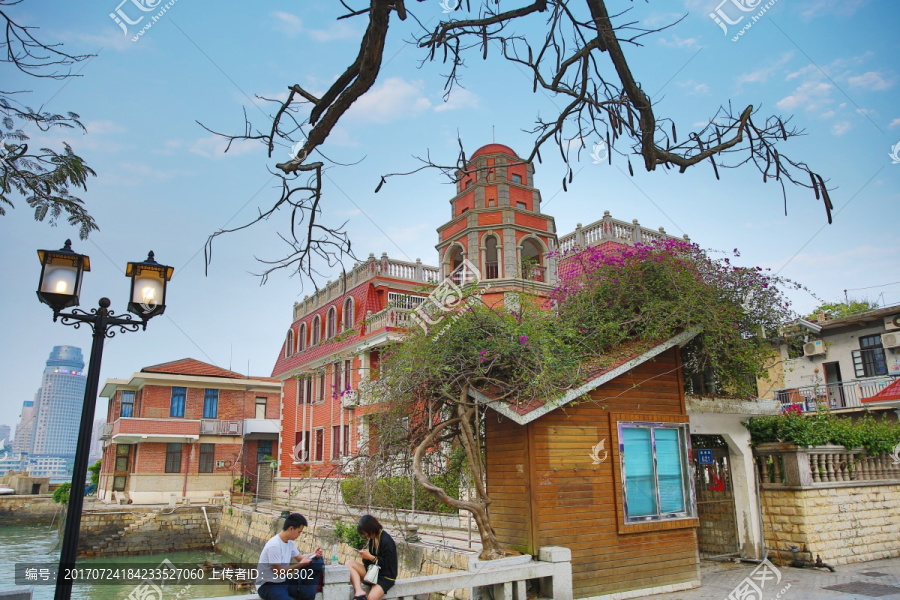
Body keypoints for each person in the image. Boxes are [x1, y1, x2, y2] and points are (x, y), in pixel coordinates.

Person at [256, 512, 324, 600]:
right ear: (291, 529)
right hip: (268, 584)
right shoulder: (274, 545)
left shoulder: (289, 542)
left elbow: (300, 558)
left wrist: (314, 554)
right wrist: (301, 565)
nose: (299, 535)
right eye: (299, 532)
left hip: (283, 581)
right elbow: (278, 571)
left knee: (309, 594)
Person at [345, 515, 397, 600]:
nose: (365, 535)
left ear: (371, 529)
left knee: (371, 598)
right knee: (349, 564)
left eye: (365, 532)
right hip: (373, 572)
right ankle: (359, 592)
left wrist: (371, 557)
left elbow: (386, 566)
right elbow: (369, 563)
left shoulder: (387, 541)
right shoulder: (373, 539)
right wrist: (365, 557)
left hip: (385, 577)